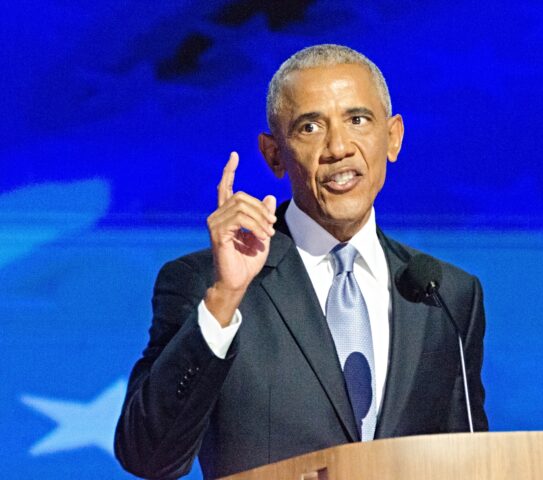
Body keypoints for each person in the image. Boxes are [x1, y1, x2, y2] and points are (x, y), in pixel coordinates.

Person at [115, 44, 488, 479]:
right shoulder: (206, 281)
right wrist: (225, 297)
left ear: (393, 137)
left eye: (358, 120)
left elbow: (468, 462)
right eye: (310, 127)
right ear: (274, 154)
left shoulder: (444, 295)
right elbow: (148, 457)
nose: (338, 148)